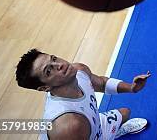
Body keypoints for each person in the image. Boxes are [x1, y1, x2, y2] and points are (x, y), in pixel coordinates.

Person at [15, 49, 149, 139]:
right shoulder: (69, 126)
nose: (59, 64)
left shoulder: (79, 69)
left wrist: (132, 88)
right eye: (49, 71)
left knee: (125, 112)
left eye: (54, 59)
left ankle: (111, 133)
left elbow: (102, 83)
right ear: (44, 87)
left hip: (94, 127)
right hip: (79, 133)